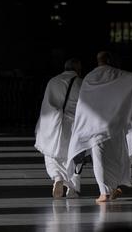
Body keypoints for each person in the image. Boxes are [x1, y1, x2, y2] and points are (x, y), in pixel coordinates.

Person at [67, 51, 132, 203]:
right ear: (109, 60)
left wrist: (81, 127)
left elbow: (84, 104)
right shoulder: (119, 74)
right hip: (116, 124)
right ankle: (113, 186)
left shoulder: (90, 77)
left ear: (98, 61)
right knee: (117, 157)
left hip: (96, 126)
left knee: (100, 159)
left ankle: (104, 192)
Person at [35, 58, 83, 199]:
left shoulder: (53, 81)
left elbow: (46, 104)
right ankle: (72, 189)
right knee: (74, 156)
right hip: (73, 124)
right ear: (77, 69)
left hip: (52, 123)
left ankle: (57, 177)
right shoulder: (80, 83)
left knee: (52, 153)